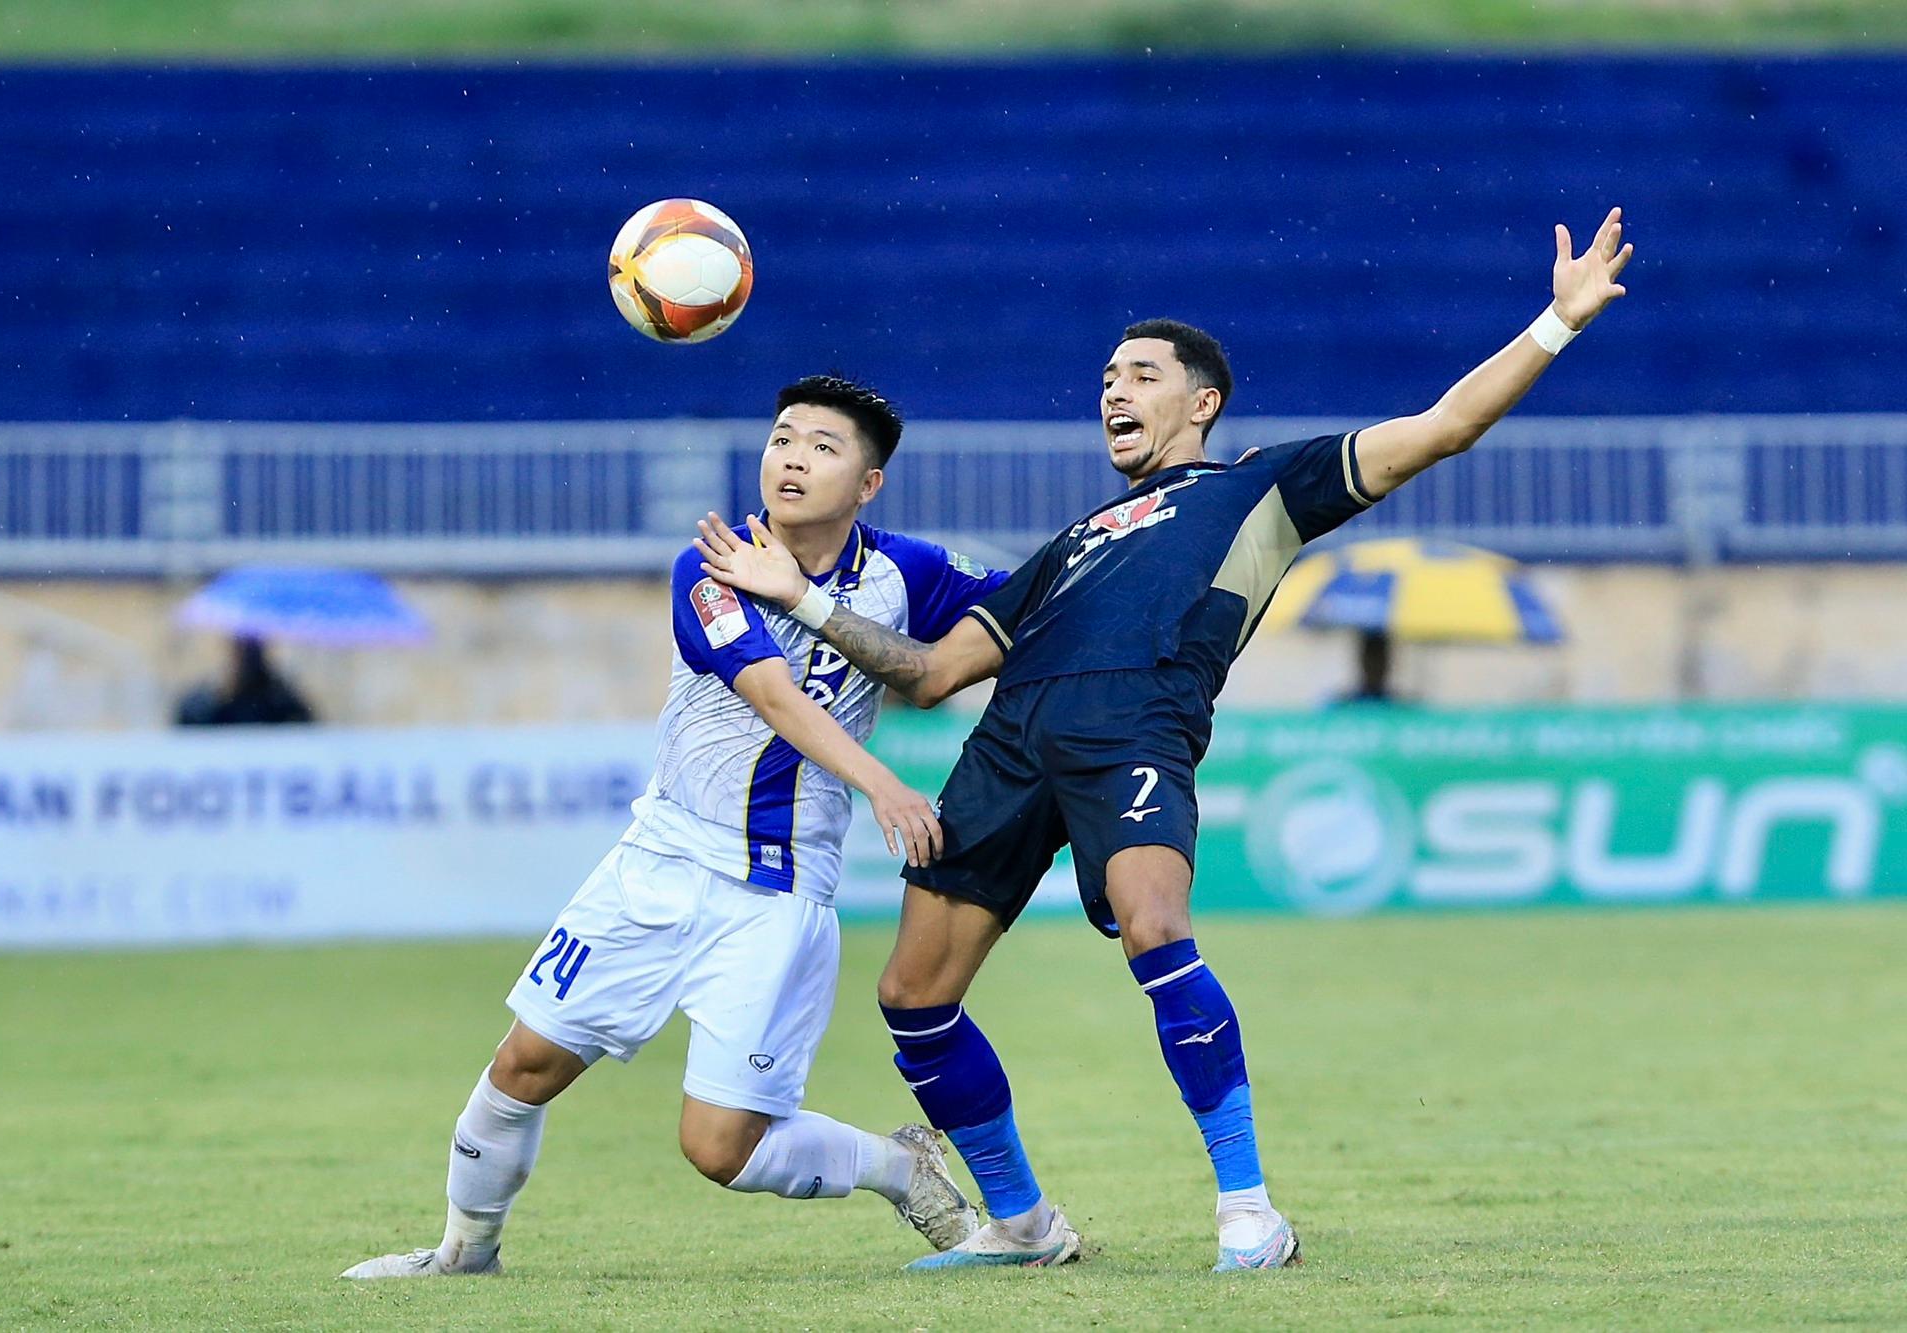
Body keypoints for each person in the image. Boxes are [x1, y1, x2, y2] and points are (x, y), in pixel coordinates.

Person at [694, 210, 1635, 1272]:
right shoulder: (1070, 542)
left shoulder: (1261, 490)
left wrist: (1554, 325)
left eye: (1138, 374)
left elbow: (1443, 425)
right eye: (1104, 376)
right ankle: (1023, 1223)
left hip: (1135, 723)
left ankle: (1246, 1210)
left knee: (1152, 927)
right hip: (1010, 744)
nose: (1112, 391)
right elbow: (927, 675)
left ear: (1201, 401)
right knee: (911, 996)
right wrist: (803, 603)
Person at [343, 375, 1008, 1279]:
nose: (793, 457)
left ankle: (900, 1166)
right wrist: (884, 784)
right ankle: (466, 1251)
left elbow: (1019, 609)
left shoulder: (908, 573)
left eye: (823, 445)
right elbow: (769, 690)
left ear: (868, 483)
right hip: (659, 860)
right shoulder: (711, 561)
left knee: (721, 1147)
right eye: (782, 437)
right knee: (523, 1063)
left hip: (778, 895)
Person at [174, 635, 315, 726]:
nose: (245, 656)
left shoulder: (279, 697)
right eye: (239, 647)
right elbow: (187, 724)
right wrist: (218, 695)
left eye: (250, 648)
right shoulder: (211, 696)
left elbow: (304, 726)